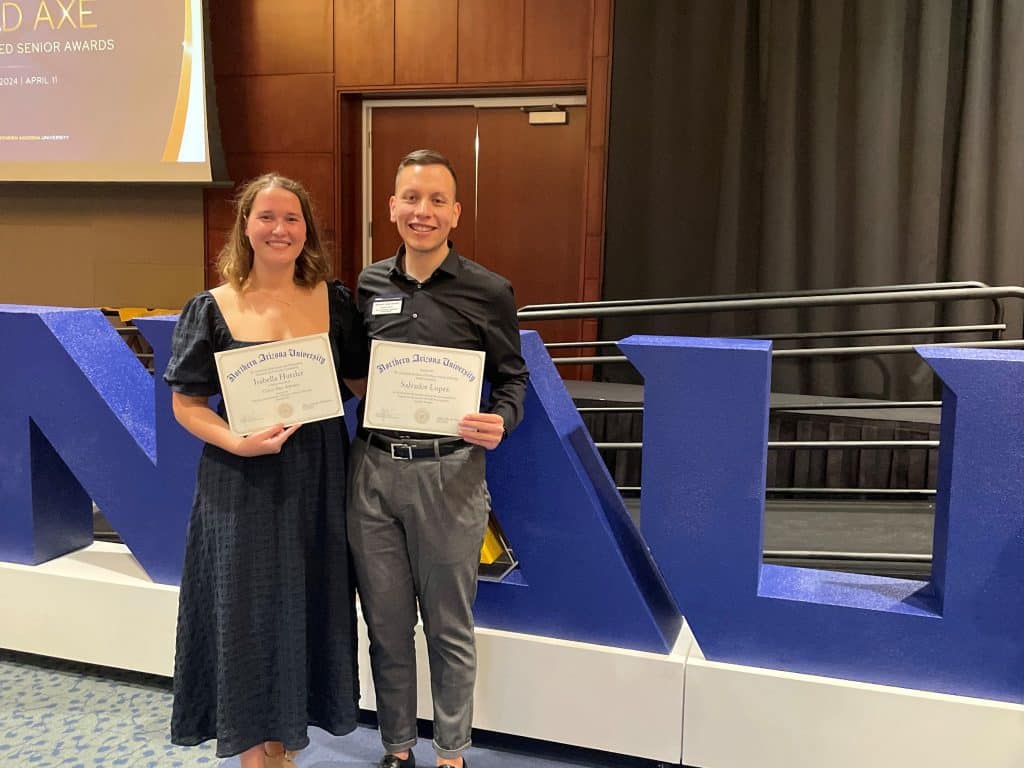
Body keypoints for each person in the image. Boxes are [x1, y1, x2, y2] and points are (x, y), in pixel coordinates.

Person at [164, 173, 369, 767]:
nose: (279, 229)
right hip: (241, 475)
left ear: (307, 231)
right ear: (246, 226)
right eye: (267, 217)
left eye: (292, 219)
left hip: (319, 474)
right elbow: (186, 404)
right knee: (246, 610)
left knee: (308, 601)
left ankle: (285, 745)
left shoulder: (335, 301)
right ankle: (255, 752)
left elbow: (359, 383)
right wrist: (238, 441)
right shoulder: (211, 306)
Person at [348, 149, 529, 768]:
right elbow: (352, 374)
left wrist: (501, 419)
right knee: (386, 626)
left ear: (455, 212)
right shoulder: (368, 286)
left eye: (435, 201)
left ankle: (451, 753)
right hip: (371, 473)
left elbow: (512, 380)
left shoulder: (488, 291)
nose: (421, 212)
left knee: (450, 629)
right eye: (410, 198)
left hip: (451, 474)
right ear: (392, 206)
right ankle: (397, 748)